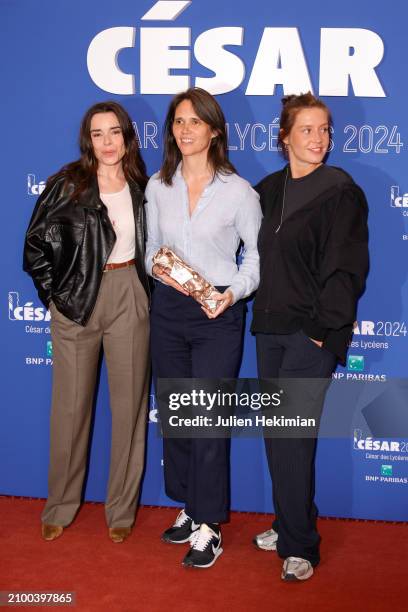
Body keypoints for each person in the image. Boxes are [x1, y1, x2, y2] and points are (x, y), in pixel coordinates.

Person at [251, 93, 369, 581]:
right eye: (307, 129)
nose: (319, 139)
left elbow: (348, 268)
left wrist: (323, 331)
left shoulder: (340, 189)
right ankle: (288, 521)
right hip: (269, 330)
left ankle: (301, 546)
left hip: (310, 335)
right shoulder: (267, 189)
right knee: (277, 439)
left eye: (324, 130)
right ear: (284, 137)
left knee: (293, 438)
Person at [145, 87, 262, 568]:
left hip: (219, 315)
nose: (186, 129)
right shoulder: (158, 186)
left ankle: (210, 525)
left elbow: (255, 259)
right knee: (176, 418)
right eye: (179, 121)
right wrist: (174, 275)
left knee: (207, 421)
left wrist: (228, 294)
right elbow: (152, 251)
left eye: (196, 121)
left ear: (215, 130)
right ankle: (191, 509)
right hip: (169, 310)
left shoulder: (240, 192)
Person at [23, 101, 150, 544]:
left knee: (130, 411)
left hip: (129, 295)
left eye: (115, 132)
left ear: (127, 137)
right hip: (77, 302)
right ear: (87, 140)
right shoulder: (67, 185)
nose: (108, 142)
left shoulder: (141, 185)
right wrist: (56, 297)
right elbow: (34, 245)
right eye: (98, 133)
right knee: (70, 411)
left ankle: (121, 510)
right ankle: (59, 505)